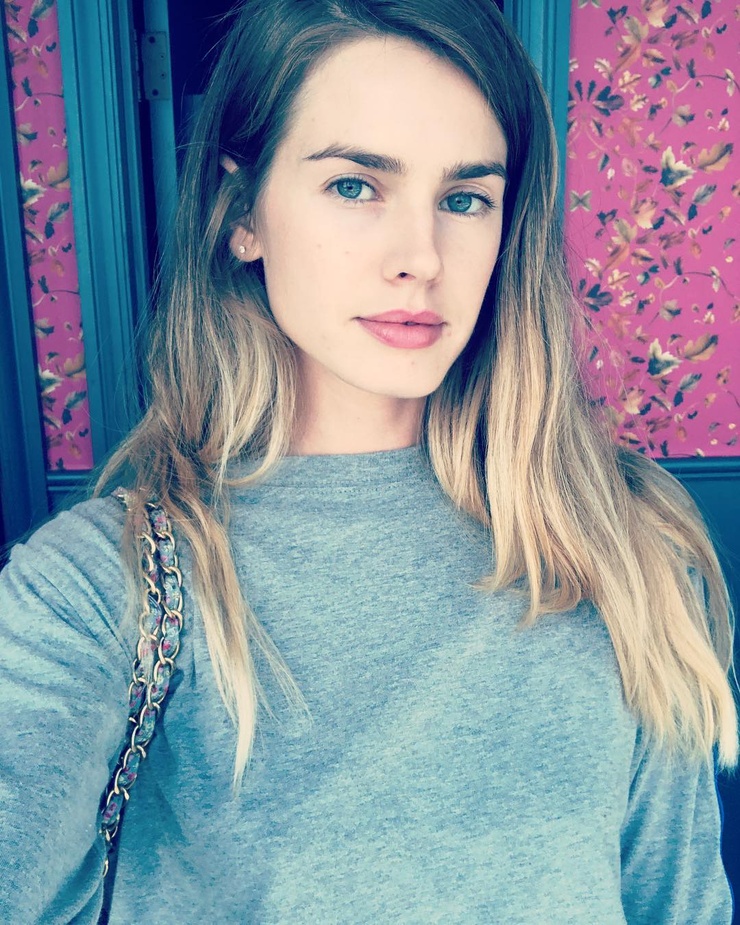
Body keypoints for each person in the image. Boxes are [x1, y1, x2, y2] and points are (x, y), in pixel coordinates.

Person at [0, 0, 736, 921]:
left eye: (464, 198)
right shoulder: (99, 588)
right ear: (242, 212)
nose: (420, 258)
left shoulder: (624, 533)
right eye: (355, 185)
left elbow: (679, 899)